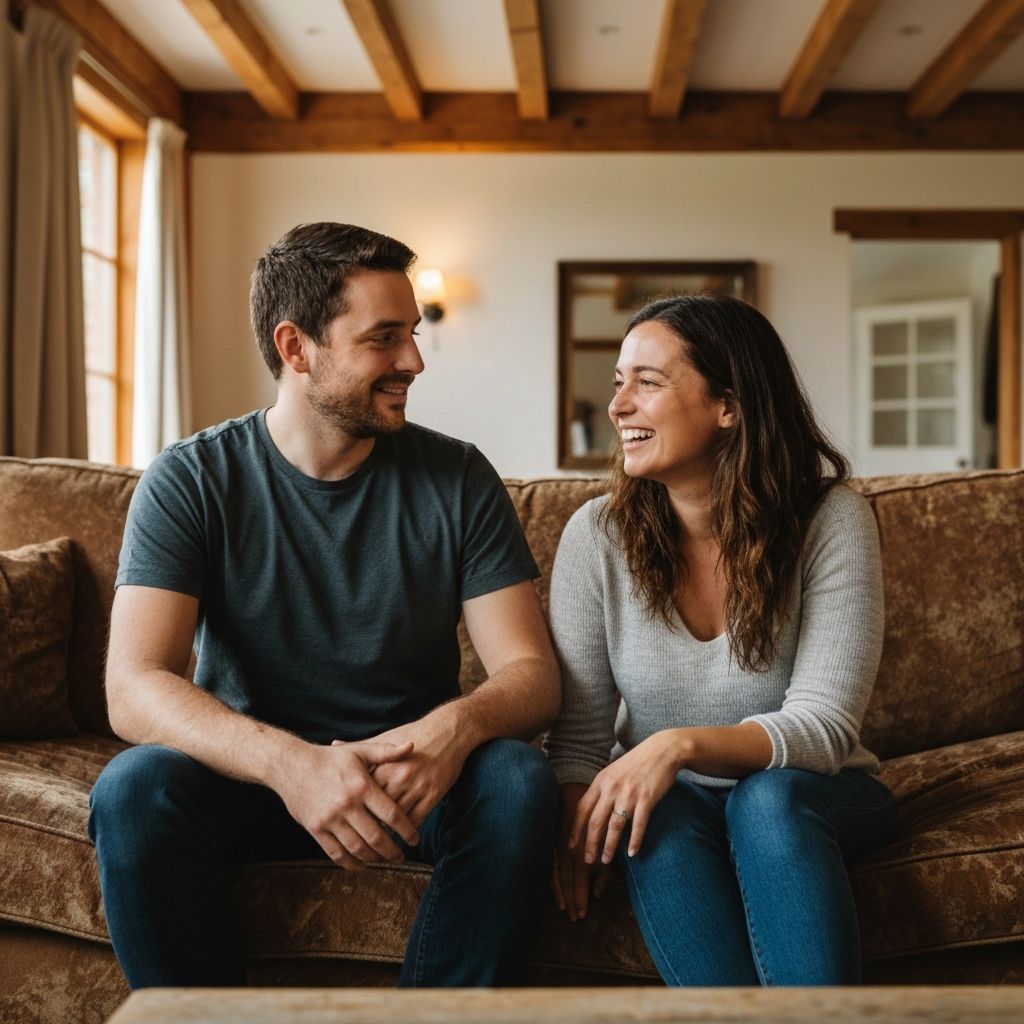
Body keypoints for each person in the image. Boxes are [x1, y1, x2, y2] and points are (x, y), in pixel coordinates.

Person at [88, 222, 561, 989]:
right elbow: (133, 686)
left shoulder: (458, 477)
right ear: (296, 346)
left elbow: (532, 673)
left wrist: (457, 726)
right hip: (253, 777)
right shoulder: (191, 478)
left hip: (413, 778)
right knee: (133, 790)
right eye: (384, 339)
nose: (414, 360)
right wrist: (292, 765)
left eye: (412, 334)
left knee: (515, 782)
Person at [544, 294, 897, 986]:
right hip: (674, 804)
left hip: (815, 796)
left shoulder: (831, 518)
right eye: (618, 382)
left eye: (646, 382)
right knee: (655, 810)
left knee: (766, 800)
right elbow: (580, 741)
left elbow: (824, 728)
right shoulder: (596, 536)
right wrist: (572, 837)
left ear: (728, 405)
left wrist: (674, 745)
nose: (617, 406)